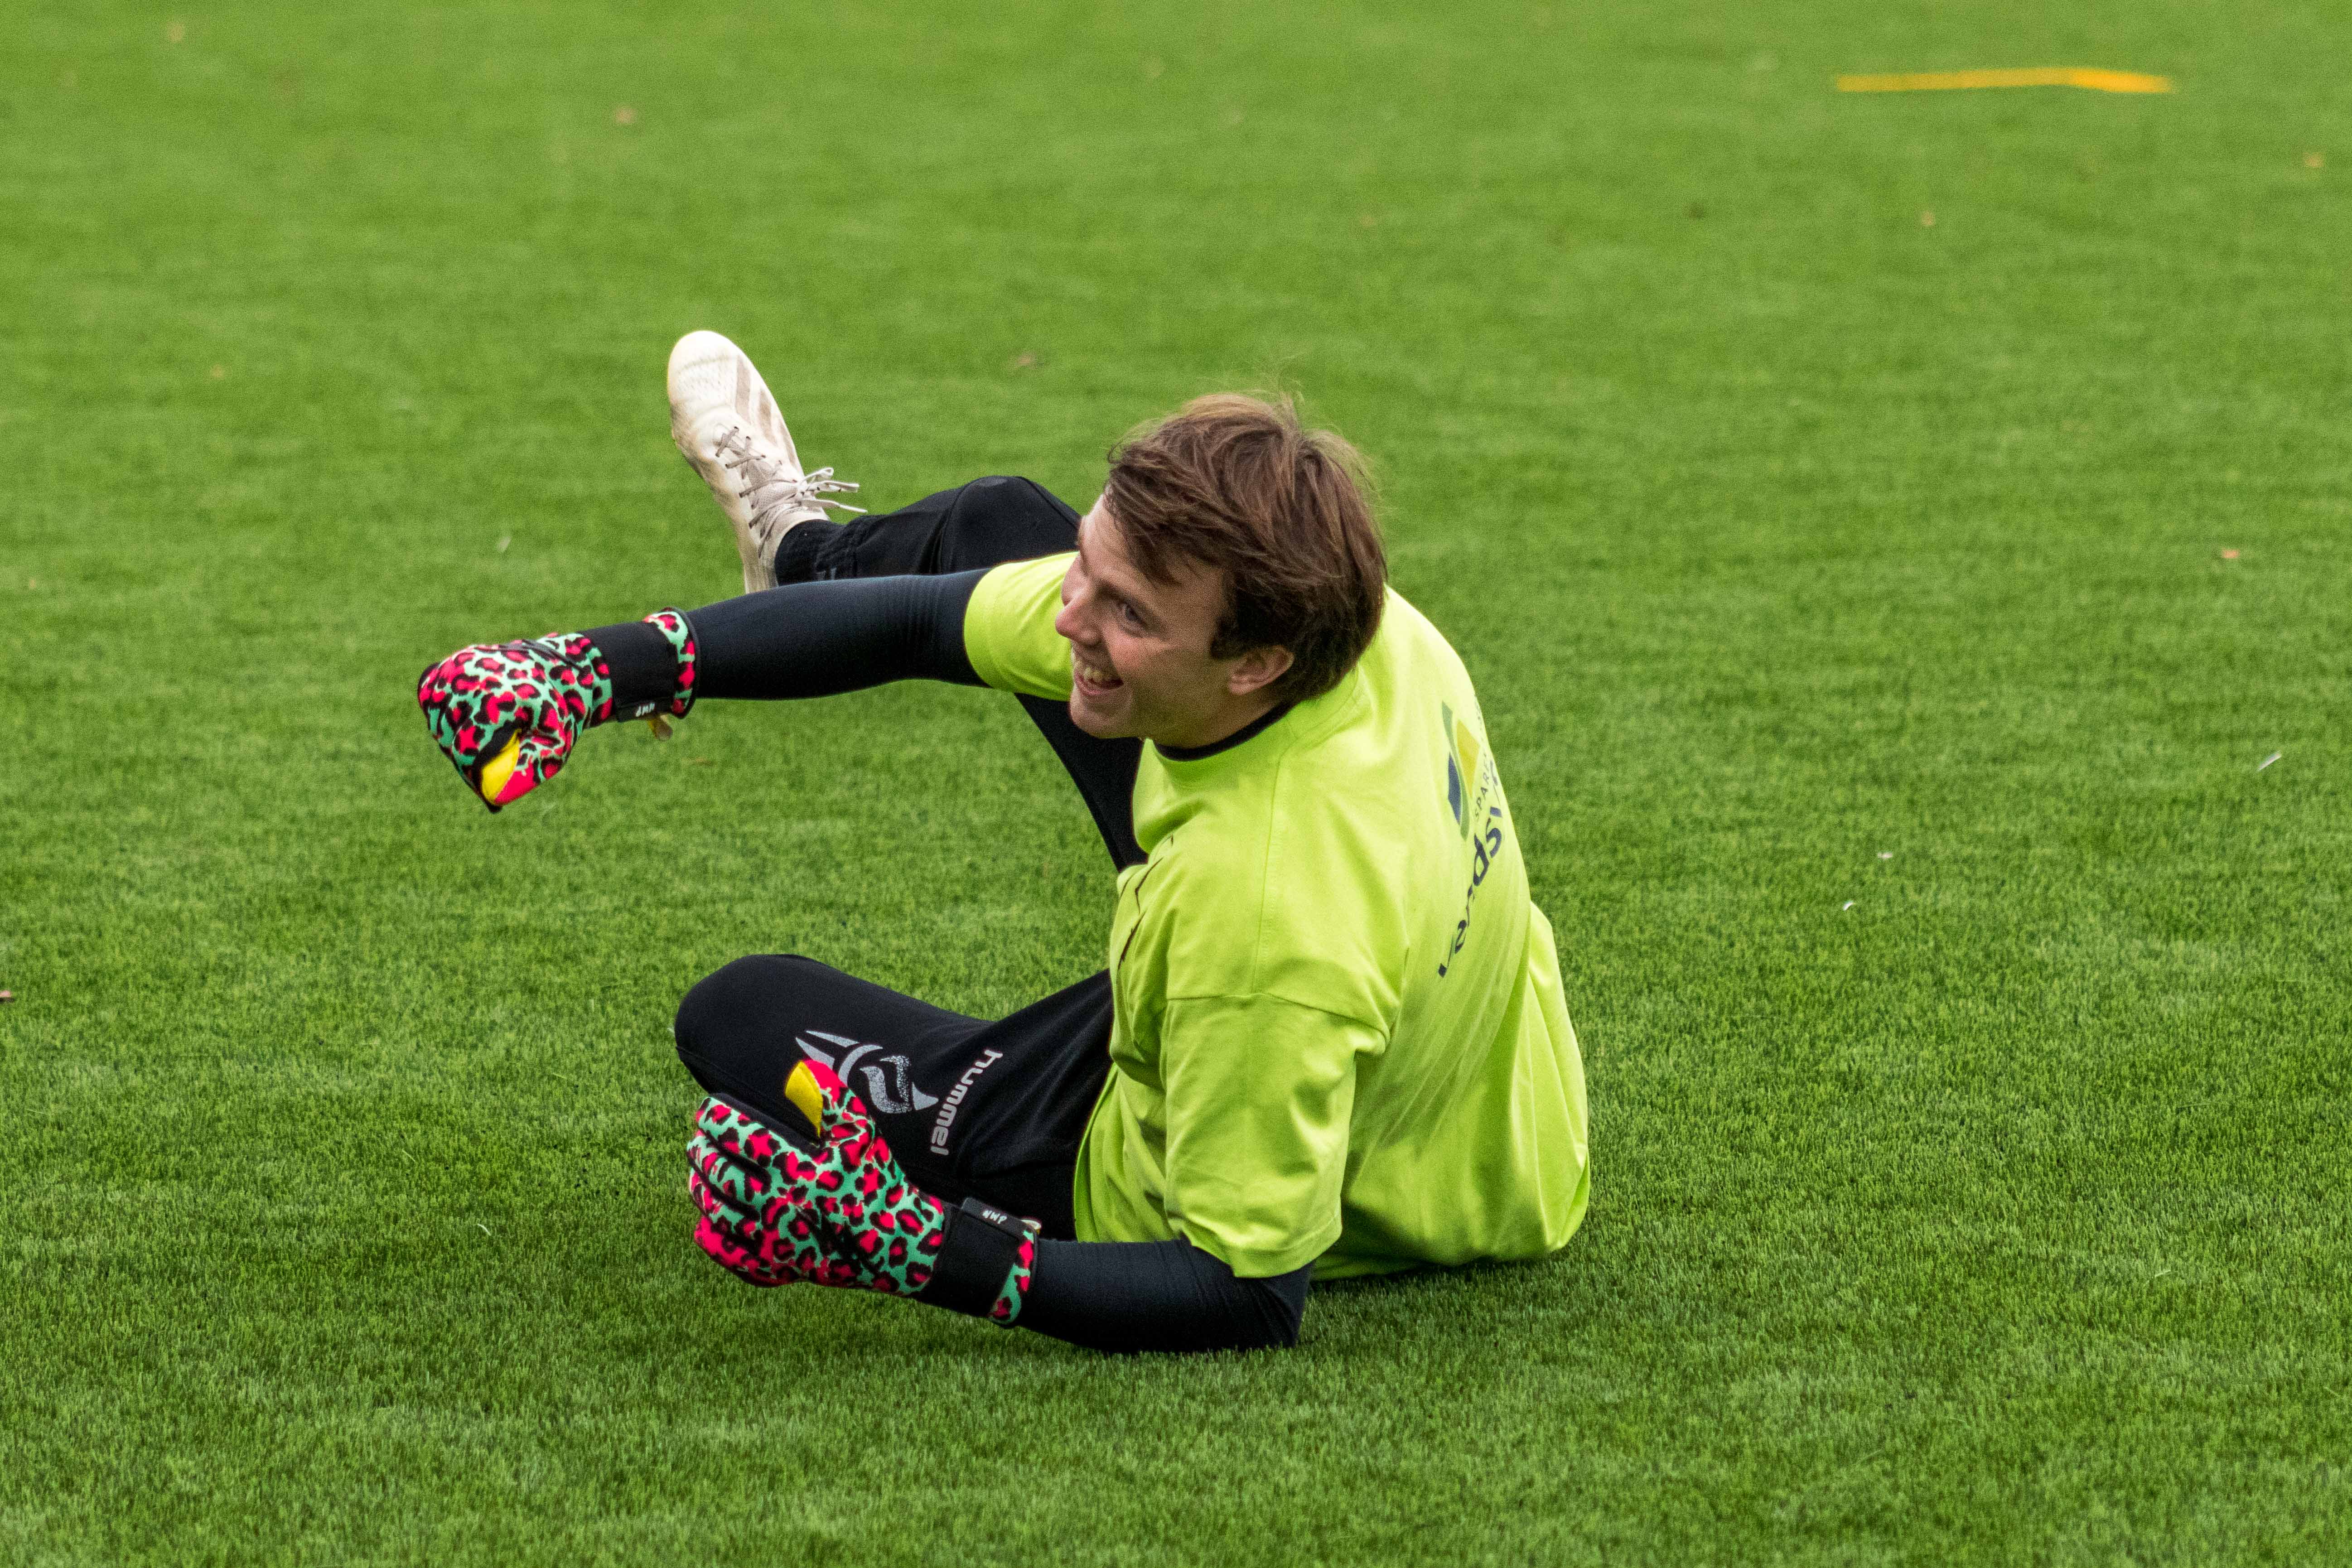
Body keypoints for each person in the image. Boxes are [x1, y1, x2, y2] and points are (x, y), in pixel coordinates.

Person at [415, 332, 1589, 1353]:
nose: (1073, 613)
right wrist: (597, 668)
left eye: (1129, 614)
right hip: (1490, 1106)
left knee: (740, 1014)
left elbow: (1242, 1292)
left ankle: (986, 1157)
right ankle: (798, 555)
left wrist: (929, 1250)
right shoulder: (1374, 632)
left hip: (1314, 1160)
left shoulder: (1262, 927)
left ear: (1256, 661)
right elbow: (933, 619)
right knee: (993, 529)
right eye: (1091, 567)